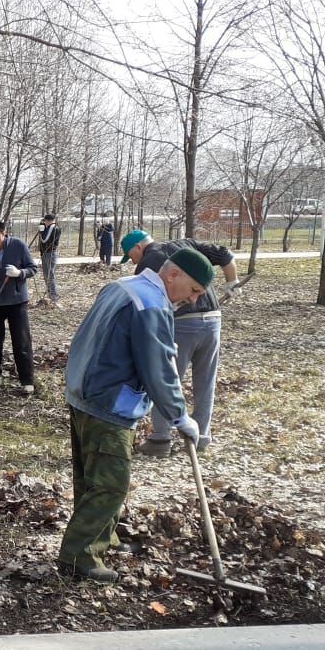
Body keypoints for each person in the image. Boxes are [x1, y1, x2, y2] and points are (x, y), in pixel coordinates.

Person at [60, 247, 214, 583]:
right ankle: (79, 557)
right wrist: (179, 417)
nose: (191, 300)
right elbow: (159, 368)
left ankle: (103, 540)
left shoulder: (122, 286)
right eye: (194, 291)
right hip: (109, 403)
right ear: (173, 275)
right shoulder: (152, 306)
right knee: (111, 483)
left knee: (91, 477)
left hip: (85, 391)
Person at [119, 230, 242, 456]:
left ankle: (160, 439)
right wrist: (232, 282)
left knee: (168, 377)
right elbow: (225, 254)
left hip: (183, 323)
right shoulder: (186, 245)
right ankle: (201, 437)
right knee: (206, 380)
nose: (133, 261)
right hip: (213, 320)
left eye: (130, 256)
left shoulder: (148, 264)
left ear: (137, 247)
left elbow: (146, 303)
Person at [0, 219, 38, 393]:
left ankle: (27, 380)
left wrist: (20, 273)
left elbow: (32, 268)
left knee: (22, 341)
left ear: (3, 234)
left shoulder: (18, 246)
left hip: (17, 302)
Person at [37, 213, 62, 305]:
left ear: (49, 220)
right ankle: (50, 295)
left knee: (50, 275)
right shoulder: (47, 228)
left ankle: (54, 297)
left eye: (45, 221)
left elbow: (45, 240)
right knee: (46, 274)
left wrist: (41, 232)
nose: (45, 222)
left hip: (50, 253)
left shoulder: (54, 228)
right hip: (45, 253)